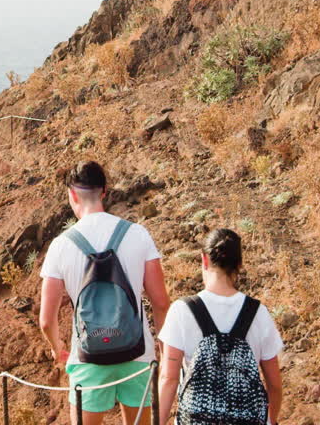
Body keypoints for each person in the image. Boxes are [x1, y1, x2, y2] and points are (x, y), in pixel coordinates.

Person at [39, 161, 171, 425]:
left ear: (72, 194)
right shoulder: (138, 234)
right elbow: (160, 302)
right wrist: (163, 347)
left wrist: (57, 348)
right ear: (104, 191)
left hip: (88, 357)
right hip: (137, 353)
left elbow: (46, 320)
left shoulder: (61, 246)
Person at [157, 228, 283, 425]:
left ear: (204, 260)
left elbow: (168, 379)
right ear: (239, 264)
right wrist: (271, 420)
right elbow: (274, 385)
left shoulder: (181, 310)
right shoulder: (258, 313)